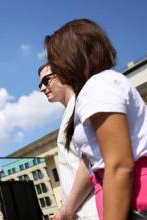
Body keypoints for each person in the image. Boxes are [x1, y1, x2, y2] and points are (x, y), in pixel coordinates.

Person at [45, 19, 147, 220]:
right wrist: (67, 211)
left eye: (55, 60)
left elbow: (119, 164)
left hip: (136, 199)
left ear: (70, 56)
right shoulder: (101, 85)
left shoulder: (98, 86)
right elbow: (95, 158)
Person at [38, 63, 98, 220]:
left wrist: (67, 210)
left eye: (46, 81)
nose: (42, 88)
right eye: (40, 84)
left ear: (64, 74)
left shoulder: (79, 107)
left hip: (93, 211)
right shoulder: (70, 113)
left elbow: (89, 161)